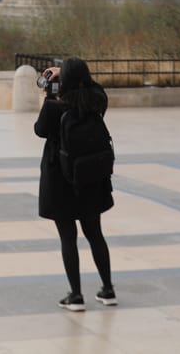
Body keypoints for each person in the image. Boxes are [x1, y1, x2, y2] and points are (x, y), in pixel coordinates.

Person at [34, 57, 116, 312]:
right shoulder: (95, 101)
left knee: (68, 237)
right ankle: (108, 289)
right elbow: (95, 88)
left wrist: (47, 94)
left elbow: (40, 130)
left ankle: (76, 295)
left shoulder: (53, 107)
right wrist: (73, 74)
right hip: (90, 176)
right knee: (95, 234)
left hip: (61, 178)